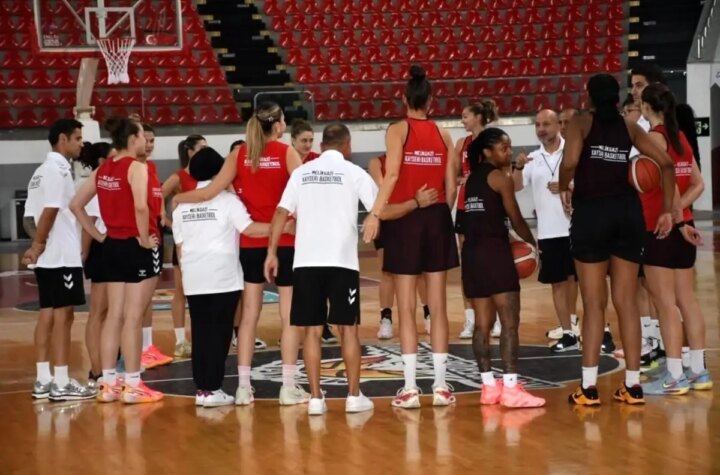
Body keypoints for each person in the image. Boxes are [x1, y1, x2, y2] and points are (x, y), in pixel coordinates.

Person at [173, 102, 307, 406]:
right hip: (285, 241)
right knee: (289, 316)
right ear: (278, 125)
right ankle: (288, 387)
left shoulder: (238, 154)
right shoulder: (287, 153)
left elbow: (209, 192)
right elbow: (304, 193)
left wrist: (180, 197)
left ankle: (244, 387)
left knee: (247, 317)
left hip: (250, 246)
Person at [560, 74, 676, 406]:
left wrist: (565, 184)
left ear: (590, 97)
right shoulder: (629, 127)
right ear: (617, 96)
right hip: (628, 216)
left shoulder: (582, 122)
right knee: (626, 302)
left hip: (592, 216)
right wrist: (667, 211)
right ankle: (633, 386)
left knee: (594, 304)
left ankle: (589, 388)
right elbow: (666, 164)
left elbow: (570, 161)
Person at [363, 65, 459, 408]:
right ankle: (442, 386)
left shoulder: (398, 129)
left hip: (406, 219)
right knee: (438, 306)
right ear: (431, 100)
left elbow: (390, 176)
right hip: (437, 217)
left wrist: (376, 213)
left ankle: (409, 388)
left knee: (405, 307)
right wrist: (439, 213)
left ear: (404, 99)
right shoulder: (444, 134)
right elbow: (451, 187)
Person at [264, 123, 376, 415]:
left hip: (306, 263)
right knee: (348, 330)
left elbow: (281, 212)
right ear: (347, 145)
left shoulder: (301, 172)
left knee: (311, 332)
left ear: (322, 145)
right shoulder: (353, 172)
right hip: (342, 262)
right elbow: (379, 207)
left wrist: (272, 253)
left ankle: (315, 398)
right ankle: (353, 396)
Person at [70, 116, 163, 403]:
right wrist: (144, 238)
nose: (144, 141)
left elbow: (76, 205)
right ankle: (133, 384)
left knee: (113, 317)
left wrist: (99, 236)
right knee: (132, 318)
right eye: (142, 136)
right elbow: (140, 206)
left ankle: (108, 384)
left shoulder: (104, 169)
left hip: (111, 246)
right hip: (135, 246)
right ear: (133, 139)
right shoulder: (136, 168)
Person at [172, 147, 274, 407]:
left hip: (194, 277)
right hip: (222, 277)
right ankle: (214, 388)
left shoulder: (181, 206)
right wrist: (281, 226)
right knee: (219, 334)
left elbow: (180, 246)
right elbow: (250, 229)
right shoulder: (228, 202)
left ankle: (202, 390)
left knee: (200, 333)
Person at [461, 128, 546, 408]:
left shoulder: (471, 180)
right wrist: (534, 245)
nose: (508, 152)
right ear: (487, 151)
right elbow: (517, 219)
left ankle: (488, 387)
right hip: (495, 255)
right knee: (509, 323)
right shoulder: (500, 178)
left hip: (472, 257)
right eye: (503, 148)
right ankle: (510, 388)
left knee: (481, 325)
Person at [638, 83, 711, 394]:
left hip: (661, 227)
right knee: (687, 301)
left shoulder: (654, 138)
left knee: (665, 303)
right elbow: (698, 183)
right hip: (683, 225)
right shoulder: (680, 137)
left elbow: (664, 182)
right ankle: (699, 371)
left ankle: (674, 375)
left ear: (646, 108)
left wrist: (673, 215)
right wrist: (682, 213)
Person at [23, 119, 95, 401]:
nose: (81, 144)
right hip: (61, 256)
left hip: (48, 258)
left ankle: (43, 379)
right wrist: (40, 245)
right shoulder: (58, 170)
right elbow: (51, 211)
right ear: (63, 139)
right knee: (64, 317)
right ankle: (62, 382)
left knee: (48, 314)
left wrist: (38, 246)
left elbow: (29, 218)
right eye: (77, 138)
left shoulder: (40, 172)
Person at [512, 110, 578, 352]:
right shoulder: (532, 158)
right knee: (558, 284)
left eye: (546, 124)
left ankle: (596, 329)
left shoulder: (574, 151)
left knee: (583, 283)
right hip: (549, 232)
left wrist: (568, 186)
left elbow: (590, 182)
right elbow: (516, 186)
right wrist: (518, 167)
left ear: (558, 125)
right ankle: (569, 333)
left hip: (577, 227)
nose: (541, 129)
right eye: (537, 125)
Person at [454, 100, 500, 339]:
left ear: (478, 117)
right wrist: (460, 179)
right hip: (465, 205)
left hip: (488, 204)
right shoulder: (461, 143)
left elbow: (501, 171)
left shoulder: (494, 139)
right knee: (468, 264)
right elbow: (454, 173)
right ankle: (470, 319)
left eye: (465, 116)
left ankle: (497, 318)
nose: (462, 120)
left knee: (491, 261)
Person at [290, 118, 337, 343]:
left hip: (317, 229)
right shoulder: (286, 160)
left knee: (321, 279)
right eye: (303, 140)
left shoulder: (318, 161)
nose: (308, 144)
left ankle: (323, 323)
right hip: (291, 229)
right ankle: (292, 329)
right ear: (293, 141)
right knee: (293, 284)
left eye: (311, 140)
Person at [162, 134, 208, 358]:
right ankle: (181, 341)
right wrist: (168, 222)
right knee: (181, 291)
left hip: (206, 241)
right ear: (190, 151)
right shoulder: (178, 177)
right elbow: (156, 198)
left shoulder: (211, 176)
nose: (205, 151)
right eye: (201, 147)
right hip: (185, 243)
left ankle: (205, 337)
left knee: (205, 290)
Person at [78, 141, 115, 386]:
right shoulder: (95, 184)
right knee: (98, 313)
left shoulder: (112, 182)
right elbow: (87, 226)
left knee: (112, 312)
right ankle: (96, 370)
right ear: (102, 161)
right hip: (101, 251)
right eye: (113, 156)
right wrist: (84, 254)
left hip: (114, 249)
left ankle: (110, 366)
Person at [137, 123, 173, 369]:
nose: (149, 145)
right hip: (142, 238)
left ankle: (147, 346)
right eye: (145, 140)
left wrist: (161, 213)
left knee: (147, 295)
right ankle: (139, 349)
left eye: (152, 141)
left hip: (154, 235)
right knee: (138, 298)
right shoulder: (133, 168)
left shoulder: (151, 167)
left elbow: (157, 196)